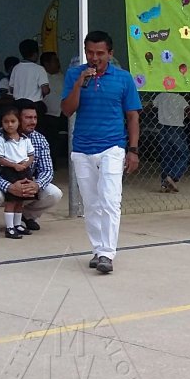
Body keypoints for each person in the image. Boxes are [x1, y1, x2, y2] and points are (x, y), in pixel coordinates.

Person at [61, 30, 142, 274]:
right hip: (83, 148)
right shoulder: (75, 74)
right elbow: (67, 109)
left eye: (99, 53)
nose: (94, 57)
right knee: (91, 203)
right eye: (89, 52)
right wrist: (78, 84)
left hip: (113, 147)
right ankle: (98, 249)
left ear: (110, 54)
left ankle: (108, 253)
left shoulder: (124, 78)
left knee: (109, 199)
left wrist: (133, 150)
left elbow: (132, 116)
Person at [0, 99, 62, 234]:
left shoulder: (39, 139)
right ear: (17, 118)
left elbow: (47, 170)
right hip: (0, 183)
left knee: (54, 193)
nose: (33, 122)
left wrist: (36, 185)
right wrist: (9, 186)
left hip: (26, 180)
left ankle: (26, 217)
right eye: (28, 118)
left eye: (35, 117)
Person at [0, 107, 35, 239]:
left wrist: (25, 164)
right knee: (11, 200)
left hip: (23, 170)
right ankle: (9, 227)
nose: (9, 124)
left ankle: (17, 225)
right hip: (9, 171)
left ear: (18, 123)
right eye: (6, 121)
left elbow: (31, 155)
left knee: (20, 200)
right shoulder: (1, 140)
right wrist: (14, 165)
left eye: (13, 121)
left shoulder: (25, 139)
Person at [152, 91, 189, 193]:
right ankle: (173, 176)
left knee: (167, 156)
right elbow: (188, 111)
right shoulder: (180, 98)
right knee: (183, 154)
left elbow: (153, 107)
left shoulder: (161, 96)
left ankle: (164, 184)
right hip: (176, 128)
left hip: (163, 127)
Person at [36, 51, 67, 161]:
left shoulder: (62, 77)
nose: (58, 63)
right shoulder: (40, 77)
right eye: (55, 61)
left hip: (64, 114)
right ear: (47, 63)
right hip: (47, 115)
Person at [8, 39, 50, 115]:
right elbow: (45, 90)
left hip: (18, 106)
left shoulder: (16, 68)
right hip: (34, 106)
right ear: (36, 53)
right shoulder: (39, 69)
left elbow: (11, 90)